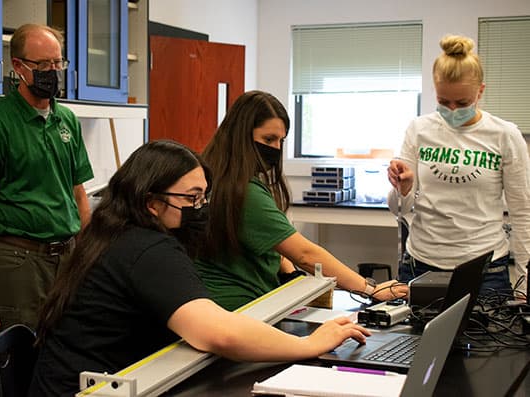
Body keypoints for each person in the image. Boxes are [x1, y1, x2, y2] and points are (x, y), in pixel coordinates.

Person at [28, 140, 370, 396]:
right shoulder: (145, 249)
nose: (201, 207)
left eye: (204, 196)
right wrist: (311, 345)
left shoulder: (113, 233)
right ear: (152, 202)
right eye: (191, 198)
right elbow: (219, 333)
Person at [0, 23, 94, 396]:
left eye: (58, 63)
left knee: (65, 359)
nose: (53, 73)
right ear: (18, 66)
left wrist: (90, 256)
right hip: (18, 260)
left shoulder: (66, 120)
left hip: (66, 256)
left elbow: (79, 193)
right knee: (13, 366)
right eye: (44, 65)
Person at [195, 90, 409, 312]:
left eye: (281, 140)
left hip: (228, 306)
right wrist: (369, 289)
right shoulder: (244, 193)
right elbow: (305, 254)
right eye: (269, 139)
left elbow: (270, 241)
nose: (276, 148)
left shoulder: (215, 177)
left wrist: (291, 275)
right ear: (241, 135)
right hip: (242, 309)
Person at [387, 34, 530, 298]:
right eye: (444, 102)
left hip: (484, 271)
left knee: (489, 340)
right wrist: (403, 188)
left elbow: (523, 213)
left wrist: (524, 283)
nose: (452, 110)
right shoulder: (419, 130)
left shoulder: (505, 135)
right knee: (412, 340)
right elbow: (399, 209)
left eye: (462, 103)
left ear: (481, 92)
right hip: (420, 265)